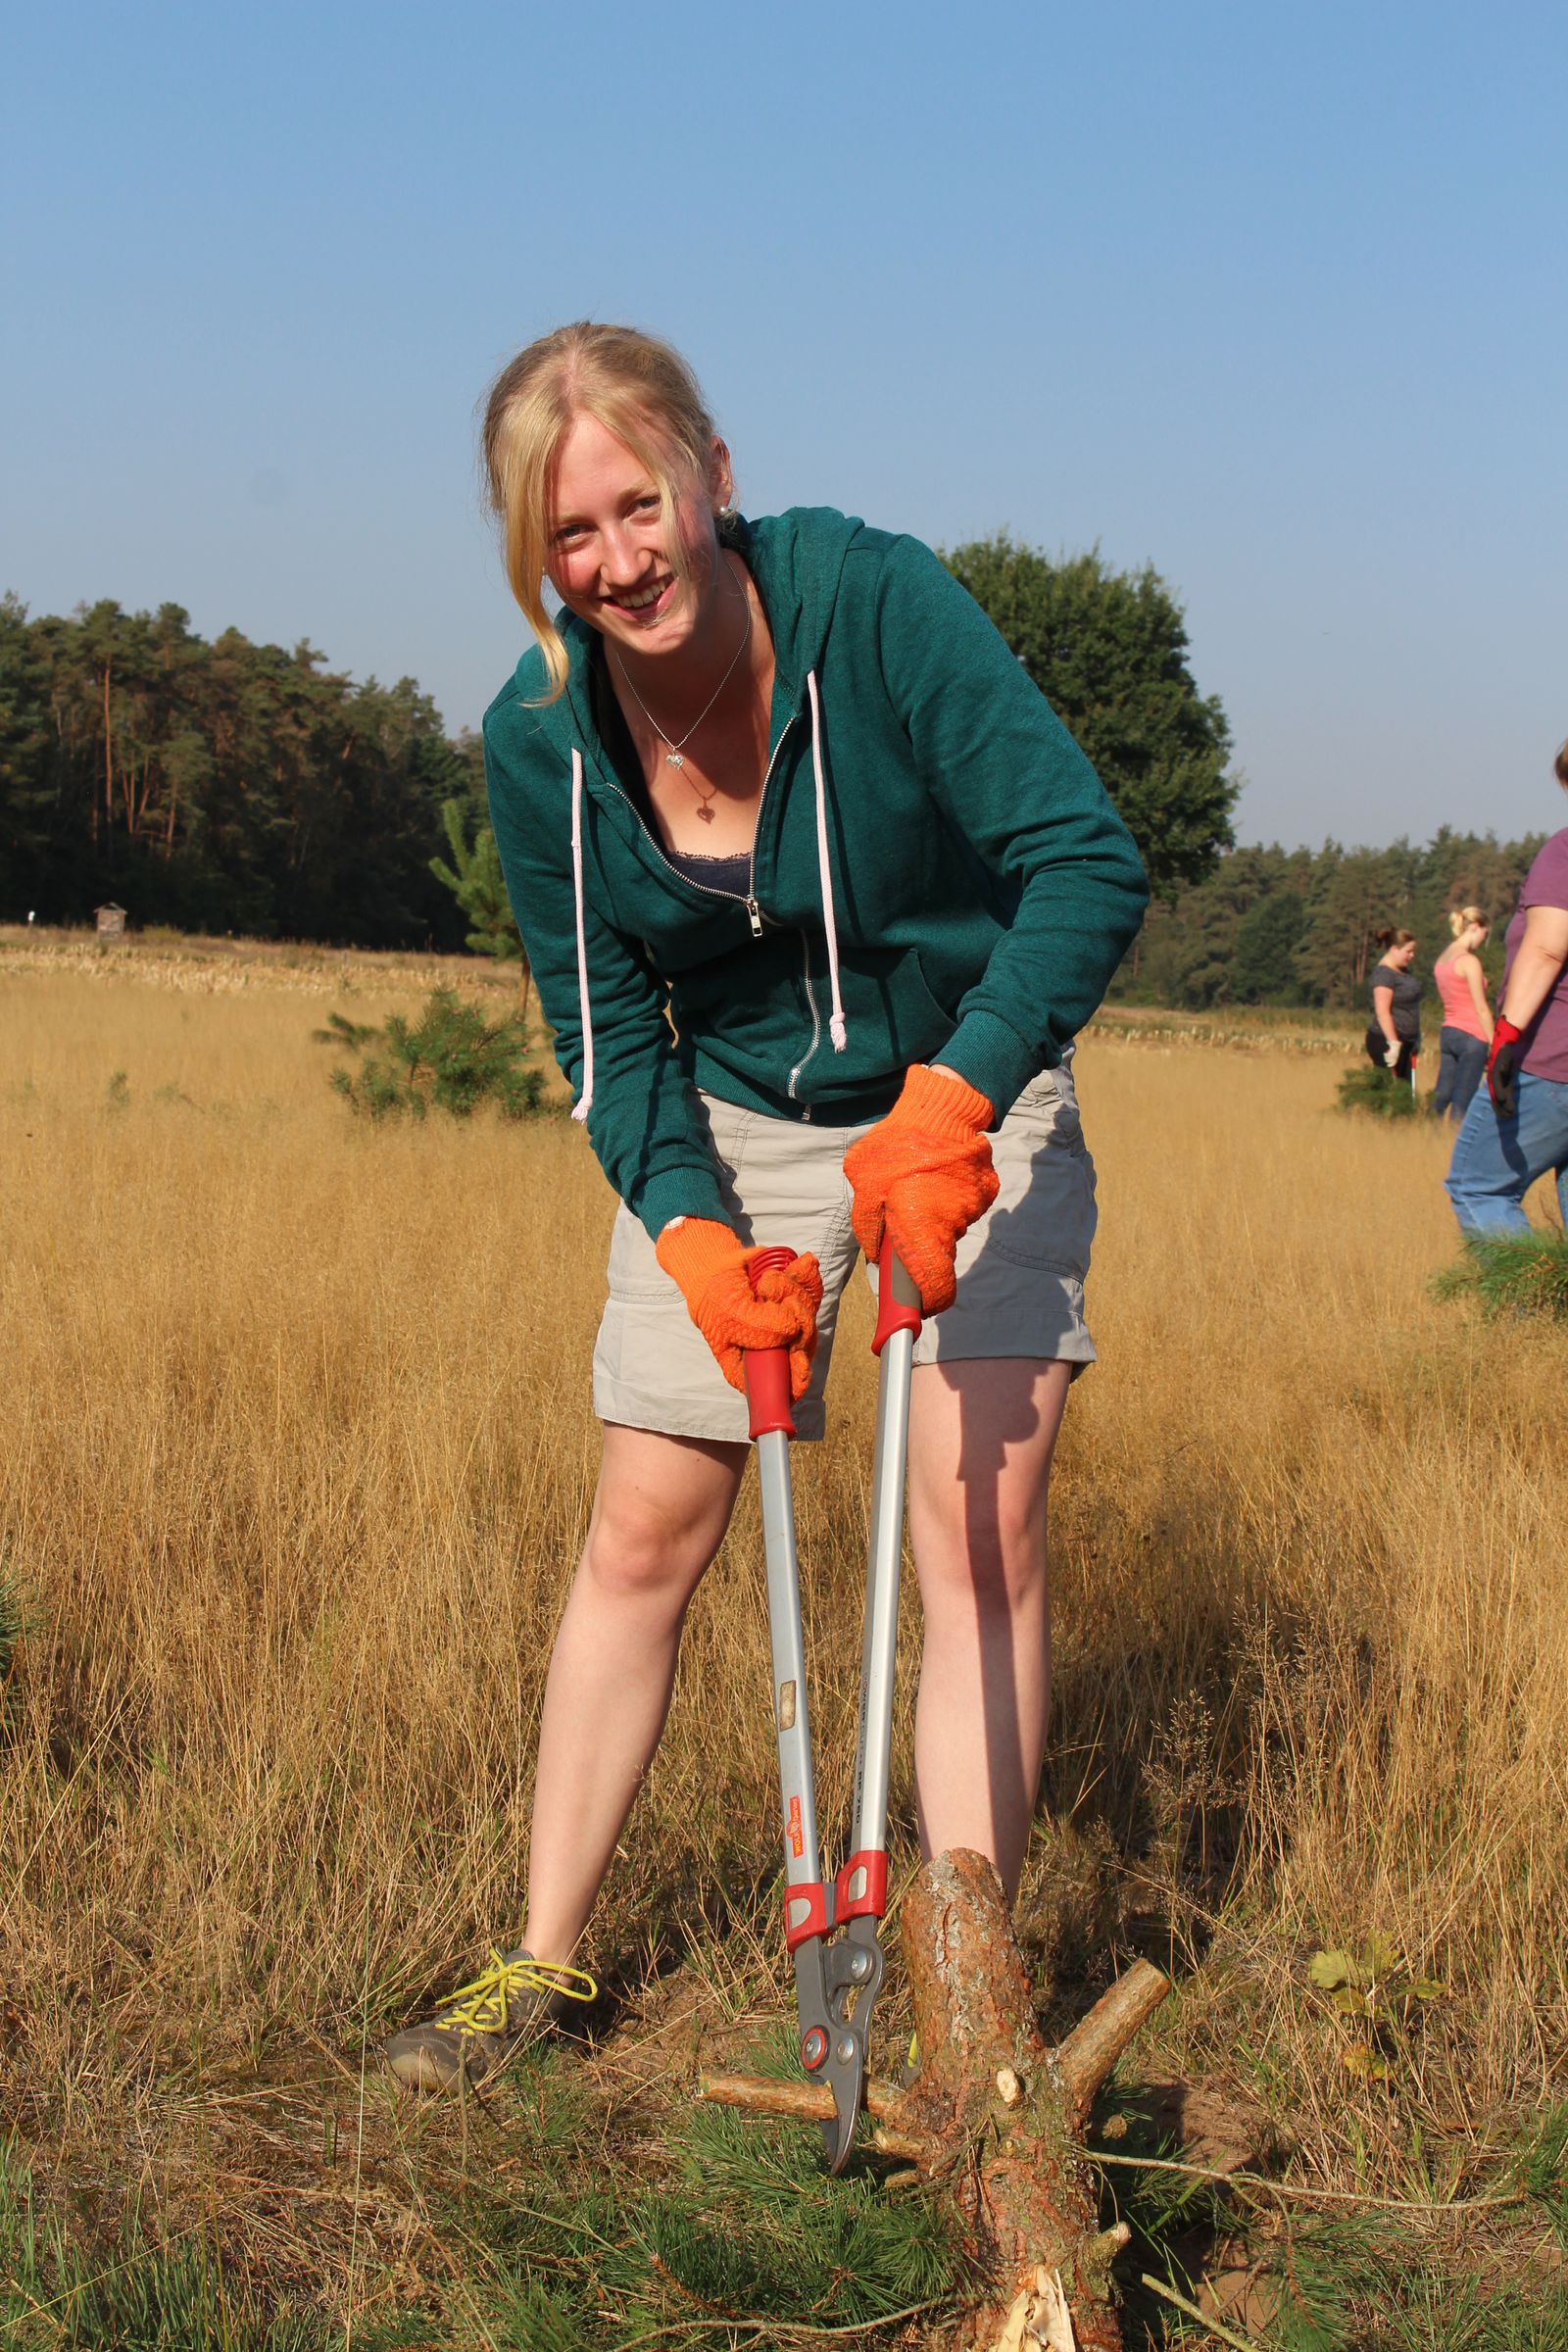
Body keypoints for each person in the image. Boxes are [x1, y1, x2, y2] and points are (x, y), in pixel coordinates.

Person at [382, 322, 1149, 2093]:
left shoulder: (873, 607)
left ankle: (962, 2005)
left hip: (968, 1072)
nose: (619, 562)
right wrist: (690, 1229)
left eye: (640, 505)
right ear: (531, 556)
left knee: (977, 1529)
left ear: (714, 475)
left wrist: (957, 1100)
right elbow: (601, 1025)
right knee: (646, 1525)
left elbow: (1082, 863)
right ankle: (542, 1969)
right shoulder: (542, 735)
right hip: (734, 1125)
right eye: (569, 537)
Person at [1445, 743, 1568, 1235]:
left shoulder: (1564, 851)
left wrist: (1506, 1037)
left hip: (1552, 1063)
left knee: (1479, 1187)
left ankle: (1529, 1308)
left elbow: (1546, 950)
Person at [1431, 907, 1494, 1123]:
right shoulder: (1469, 961)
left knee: (1440, 1097)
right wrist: (1495, 1043)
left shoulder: (1442, 959)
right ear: (1475, 927)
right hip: (1472, 1037)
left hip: (1449, 1032)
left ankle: (1426, 1137)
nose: (1483, 942)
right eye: (1484, 935)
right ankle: (1455, 1147)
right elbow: (1481, 1007)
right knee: (1462, 1102)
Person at [1364, 927, 1421, 1085]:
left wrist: (1415, 1037)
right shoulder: (1384, 974)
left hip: (1406, 1042)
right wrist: (1393, 1043)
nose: (1412, 955)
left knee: (1404, 1091)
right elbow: (1383, 1012)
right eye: (1408, 951)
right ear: (1395, 949)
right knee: (1387, 1090)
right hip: (1386, 1042)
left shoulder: (1402, 971)